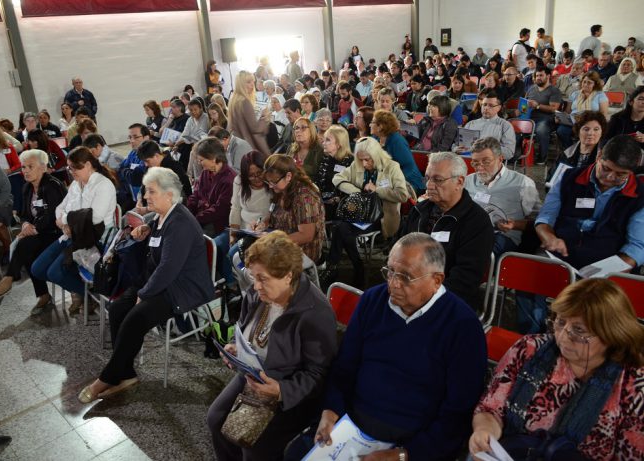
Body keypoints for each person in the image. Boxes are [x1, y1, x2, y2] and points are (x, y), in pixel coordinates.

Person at [300, 233, 487, 461]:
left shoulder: (462, 325)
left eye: (406, 277)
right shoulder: (372, 301)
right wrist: (330, 412)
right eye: (390, 271)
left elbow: (457, 412)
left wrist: (403, 455)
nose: (393, 284)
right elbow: (344, 367)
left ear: (436, 280)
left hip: (412, 437)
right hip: (353, 424)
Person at [79, 166, 215, 403]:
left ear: (169, 195)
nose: (145, 197)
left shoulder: (180, 223)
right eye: (146, 191)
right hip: (156, 280)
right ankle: (126, 374)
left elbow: (169, 268)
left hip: (179, 287)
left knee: (134, 319)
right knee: (118, 309)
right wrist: (147, 226)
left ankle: (107, 378)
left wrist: (145, 293)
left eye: (151, 192)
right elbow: (156, 231)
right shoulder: (162, 216)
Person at [469, 278, 644, 461]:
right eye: (560, 322)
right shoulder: (528, 348)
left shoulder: (633, 384)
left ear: (610, 333)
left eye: (578, 330)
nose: (563, 336)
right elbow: (490, 408)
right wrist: (484, 431)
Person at [207, 231, 337, 460]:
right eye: (253, 277)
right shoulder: (260, 294)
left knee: (254, 445)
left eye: (262, 279)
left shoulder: (315, 312)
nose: (255, 286)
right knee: (216, 420)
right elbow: (244, 328)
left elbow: (318, 373)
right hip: (255, 375)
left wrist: (281, 391)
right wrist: (235, 347)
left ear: (288, 276)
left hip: (288, 392)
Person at [518, 135, 644, 333]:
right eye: (607, 168)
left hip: (608, 265)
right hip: (561, 255)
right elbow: (545, 217)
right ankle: (535, 339)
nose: (610, 178)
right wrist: (549, 237)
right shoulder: (570, 177)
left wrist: (610, 270)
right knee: (528, 282)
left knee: (596, 308)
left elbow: (637, 246)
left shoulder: (639, 195)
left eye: (621, 174)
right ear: (599, 156)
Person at [398, 152, 493, 307]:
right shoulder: (419, 211)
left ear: (459, 182)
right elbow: (398, 250)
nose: (428, 185)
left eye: (438, 180)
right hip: (408, 290)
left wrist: (423, 297)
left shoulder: (477, 222)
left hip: (446, 301)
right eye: (427, 178)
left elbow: (464, 280)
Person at [31, 147, 117, 314]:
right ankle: (83, 292)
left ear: (88, 165)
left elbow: (95, 218)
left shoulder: (103, 184)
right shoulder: (76, 185)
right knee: (37, 269)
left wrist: (64, 220)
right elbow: (60, 207)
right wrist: (65, 223)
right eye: (69, 167)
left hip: (93, 238)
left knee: (55, 273)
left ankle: (91, 295)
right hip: (71, 233)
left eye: (74, 168)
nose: (71, 171)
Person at [0, 149, 67, 310]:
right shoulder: (27, 187)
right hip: (39, 233)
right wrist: (26, 224)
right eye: (23, 167)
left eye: (30, 166)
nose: (25, 171)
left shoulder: (52, 186)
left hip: (57, 233)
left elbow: (52, 216)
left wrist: (33, 229)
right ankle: (41, 294)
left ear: (43, 167)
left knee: (25, 245)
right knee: (26, 248)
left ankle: (10, 279)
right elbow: (24, 214)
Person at [323, 137, 409, 288]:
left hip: (381, 218)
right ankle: (354, 267)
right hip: (359, 215)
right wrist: (358, 191)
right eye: (361, 159)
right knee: (340, 227)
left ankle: (336, 268)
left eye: (367, 160)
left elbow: (403, 195)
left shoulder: (392, 167)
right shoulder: (358, 165)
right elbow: (337, 178)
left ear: (376, 155)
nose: (364, 164)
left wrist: (377, 191)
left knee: (340, 228)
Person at [465, 138, 540, 256]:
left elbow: (538, 221)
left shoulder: (522, 183)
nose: (479, 167)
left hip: (501, 236)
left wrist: (514, 224)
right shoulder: (468, 180)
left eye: (486, 161)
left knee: (475, 254)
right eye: (475, 162)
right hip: (469, 231)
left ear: (500, 159)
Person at [257, 154, 325, 264]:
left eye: (273, 182)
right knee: (241, 253)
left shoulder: (304, 197)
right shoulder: (281, 189)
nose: (270, 186)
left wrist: (274, 240)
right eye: (268, 182)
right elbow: (271, 213)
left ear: (288, 176)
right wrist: (262, 224)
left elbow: (306, 235)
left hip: (301, 252)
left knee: (255, 260)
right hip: (280, 243)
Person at [216, 150, 271, 284]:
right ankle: (231, 285)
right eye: (251, 176)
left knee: (233, 254)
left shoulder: (272, 182)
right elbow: (235, 207)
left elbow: (273, 211)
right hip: (241, 227)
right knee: (216, 246)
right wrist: (233, 234)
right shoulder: (239, 181)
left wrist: (264, 224)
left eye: (259, 173)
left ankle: (243, 284)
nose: (257, 178)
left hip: (261, 229)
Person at [185, 137, 236, 237]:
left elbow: (219, 209)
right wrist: (188, 213)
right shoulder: (205, 173)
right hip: (200, 218)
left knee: (189, 237)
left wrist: (195, 219)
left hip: (216, 224)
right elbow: (195, 195)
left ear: (213, 159)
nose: (199, 163)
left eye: (201, 160)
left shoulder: (230, 179)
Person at [370, 110, 424, 192]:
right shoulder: (376, 138)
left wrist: (388, 184)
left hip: (408, 182)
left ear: (380, 126)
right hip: (387, 180)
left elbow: (407, 167)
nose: (370, 125)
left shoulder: (397, 141)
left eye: (372, 122)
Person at [547, 111, 606, 185]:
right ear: (578, 131)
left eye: (596, 129)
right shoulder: (566, 154)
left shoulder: (605, 157)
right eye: (586, 129)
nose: (591, 133)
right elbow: (551, 180)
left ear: (601, 132)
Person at [134, 140, 192, 211]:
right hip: (148, 205)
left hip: (169, 209)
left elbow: (177, 197)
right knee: (126, 218)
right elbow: (143, 187)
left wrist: (147, 209)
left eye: (147, 161)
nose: (145, 164)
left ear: (156, 156)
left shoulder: (175, 168)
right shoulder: (150, 167)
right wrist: (139, 200)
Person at [557, 71, 609, 148]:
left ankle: (581, 150)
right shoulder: (575, 94)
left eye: (589, 83)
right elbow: (568, 111)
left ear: (595, 84)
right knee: (561, 130)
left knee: (583, 131)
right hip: (574, 121)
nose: (585, 85)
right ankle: (570, 150)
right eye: (584, 82)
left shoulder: (600, 95)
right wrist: (561, 118)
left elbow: (603, 114)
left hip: (590, 122)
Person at [524, 67, 563, 164]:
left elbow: (554, 108)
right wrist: (521, 109)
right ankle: (515, 154)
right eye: (537, 76)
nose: (538, 78)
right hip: (529, 117)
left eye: (541, 75)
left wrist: (537, 106)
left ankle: (542, 157)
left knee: (541, 129)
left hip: (546, 118)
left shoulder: (554, 91)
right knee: (513, 125)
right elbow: (524, 102)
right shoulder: (531, 89)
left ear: (548, 76)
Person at [315, 125, 354, 220]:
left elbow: (353, 190)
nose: (323, 143)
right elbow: (319, 181)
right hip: (322, 201)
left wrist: (337, 199)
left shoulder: (351, 162)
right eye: (323, 140)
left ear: (339, 144)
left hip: (341, 206)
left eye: (327, 140)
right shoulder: (326, 158)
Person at [461, 91, 516, 158]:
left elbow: (509, 152)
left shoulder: (505, 126)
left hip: (489, 163)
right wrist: (456, 148)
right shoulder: (471, 124)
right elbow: (458, 144)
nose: (486, 108)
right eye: (484, 105)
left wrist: (486, 148)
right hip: (468, 161)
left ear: (498, 108)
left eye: (491, 105)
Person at [227, 70, 271, 155]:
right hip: (247, 145)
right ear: (241, 84)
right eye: (248, 82)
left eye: (253, 81)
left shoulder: (233, 99)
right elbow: (255, 128)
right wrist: (264, 117)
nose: (252, 85)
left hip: (237, 143)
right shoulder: (244, 101)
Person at [117, 124, 150, 211]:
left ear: (146, 138)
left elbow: (135, 178)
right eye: (130, 137)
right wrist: (128, 172)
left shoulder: (150, 155)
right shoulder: (133, 153)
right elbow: (120, 170)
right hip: (131, 196)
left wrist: (127, 172)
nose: (132, 141)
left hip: (145, 201)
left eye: (135, 137)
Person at [604, 85, 644, 149]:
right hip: (617, 154)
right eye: (641, 99)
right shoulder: (616, 118)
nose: (643, 102)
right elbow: (605, 140)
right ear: (631, 102)